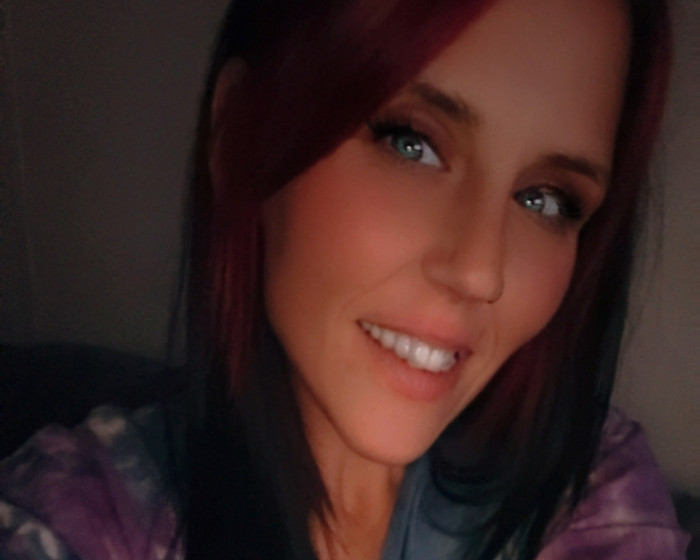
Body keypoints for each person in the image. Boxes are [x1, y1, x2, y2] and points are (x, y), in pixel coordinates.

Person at [0, 0, 691, 558]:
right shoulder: (80, 514)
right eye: (412, 143)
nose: (481, 271)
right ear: (239, 134)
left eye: (546, 200)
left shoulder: (590, 489)